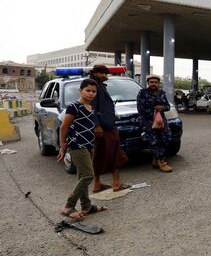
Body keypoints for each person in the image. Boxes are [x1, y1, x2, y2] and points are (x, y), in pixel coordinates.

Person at [57, 78, 106, 220]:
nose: (91, 94)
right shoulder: (74, 107)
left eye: (94, 91)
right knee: (88, 176)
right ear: (81, 91)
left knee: (82, 175)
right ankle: (68, 206)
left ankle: (86, 206)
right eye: (88, 90)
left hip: (89, 145)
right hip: (76, 145)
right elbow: (64, 127)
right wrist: (63, 145)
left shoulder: (91, 108)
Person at [89, 64, 130, 193]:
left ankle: (100, 184)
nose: (105, 76)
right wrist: (97, 125)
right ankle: (115, 184)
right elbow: (92, 108)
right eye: (102, 73)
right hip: (103, 127)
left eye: (106, 74)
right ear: (95, 73)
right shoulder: (93, 87)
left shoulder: (100, 86)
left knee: (107, 154)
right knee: (112, 154)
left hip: (108, 125)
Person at [137, 74, 174, 172]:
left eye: (155, 82)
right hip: (148, 121)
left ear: (158, 83)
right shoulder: (142, 93)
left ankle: (156, 159)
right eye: (151, 82)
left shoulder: (161, 93)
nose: (153, 84)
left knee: (167, 138)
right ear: (148, 83)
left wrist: (161, 108)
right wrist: (153, 111)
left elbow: (167, 106)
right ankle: (160, 162)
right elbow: (140, 109)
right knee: (153, 141)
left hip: (161, 120)